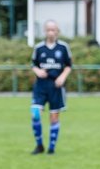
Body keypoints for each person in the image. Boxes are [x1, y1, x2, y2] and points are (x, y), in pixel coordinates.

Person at [30, 20, 72, 155]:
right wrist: (37, 71)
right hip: (41, 86)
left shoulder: (63, 47)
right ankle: (39, 145)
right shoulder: (39, 48)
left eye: (53, 30)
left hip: (55, 87)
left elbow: (68, 66)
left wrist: (62, 77)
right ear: (45, 31)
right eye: (48, 30)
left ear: (57, 31)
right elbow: (33, 64)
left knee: (54, 117)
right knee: (35, 114)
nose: (51, 32)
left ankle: (52, 147)